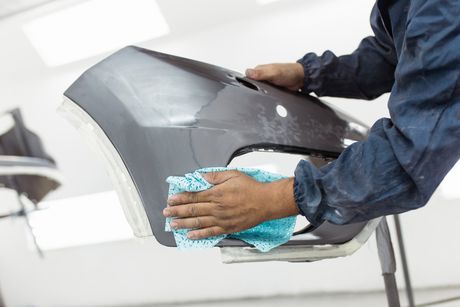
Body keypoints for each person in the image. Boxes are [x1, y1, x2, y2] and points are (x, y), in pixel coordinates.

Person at [162, 0, 460, 240]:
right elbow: (390, 53)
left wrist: (273, 199)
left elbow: (408, 162)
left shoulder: (445, 12)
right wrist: (309, 73)